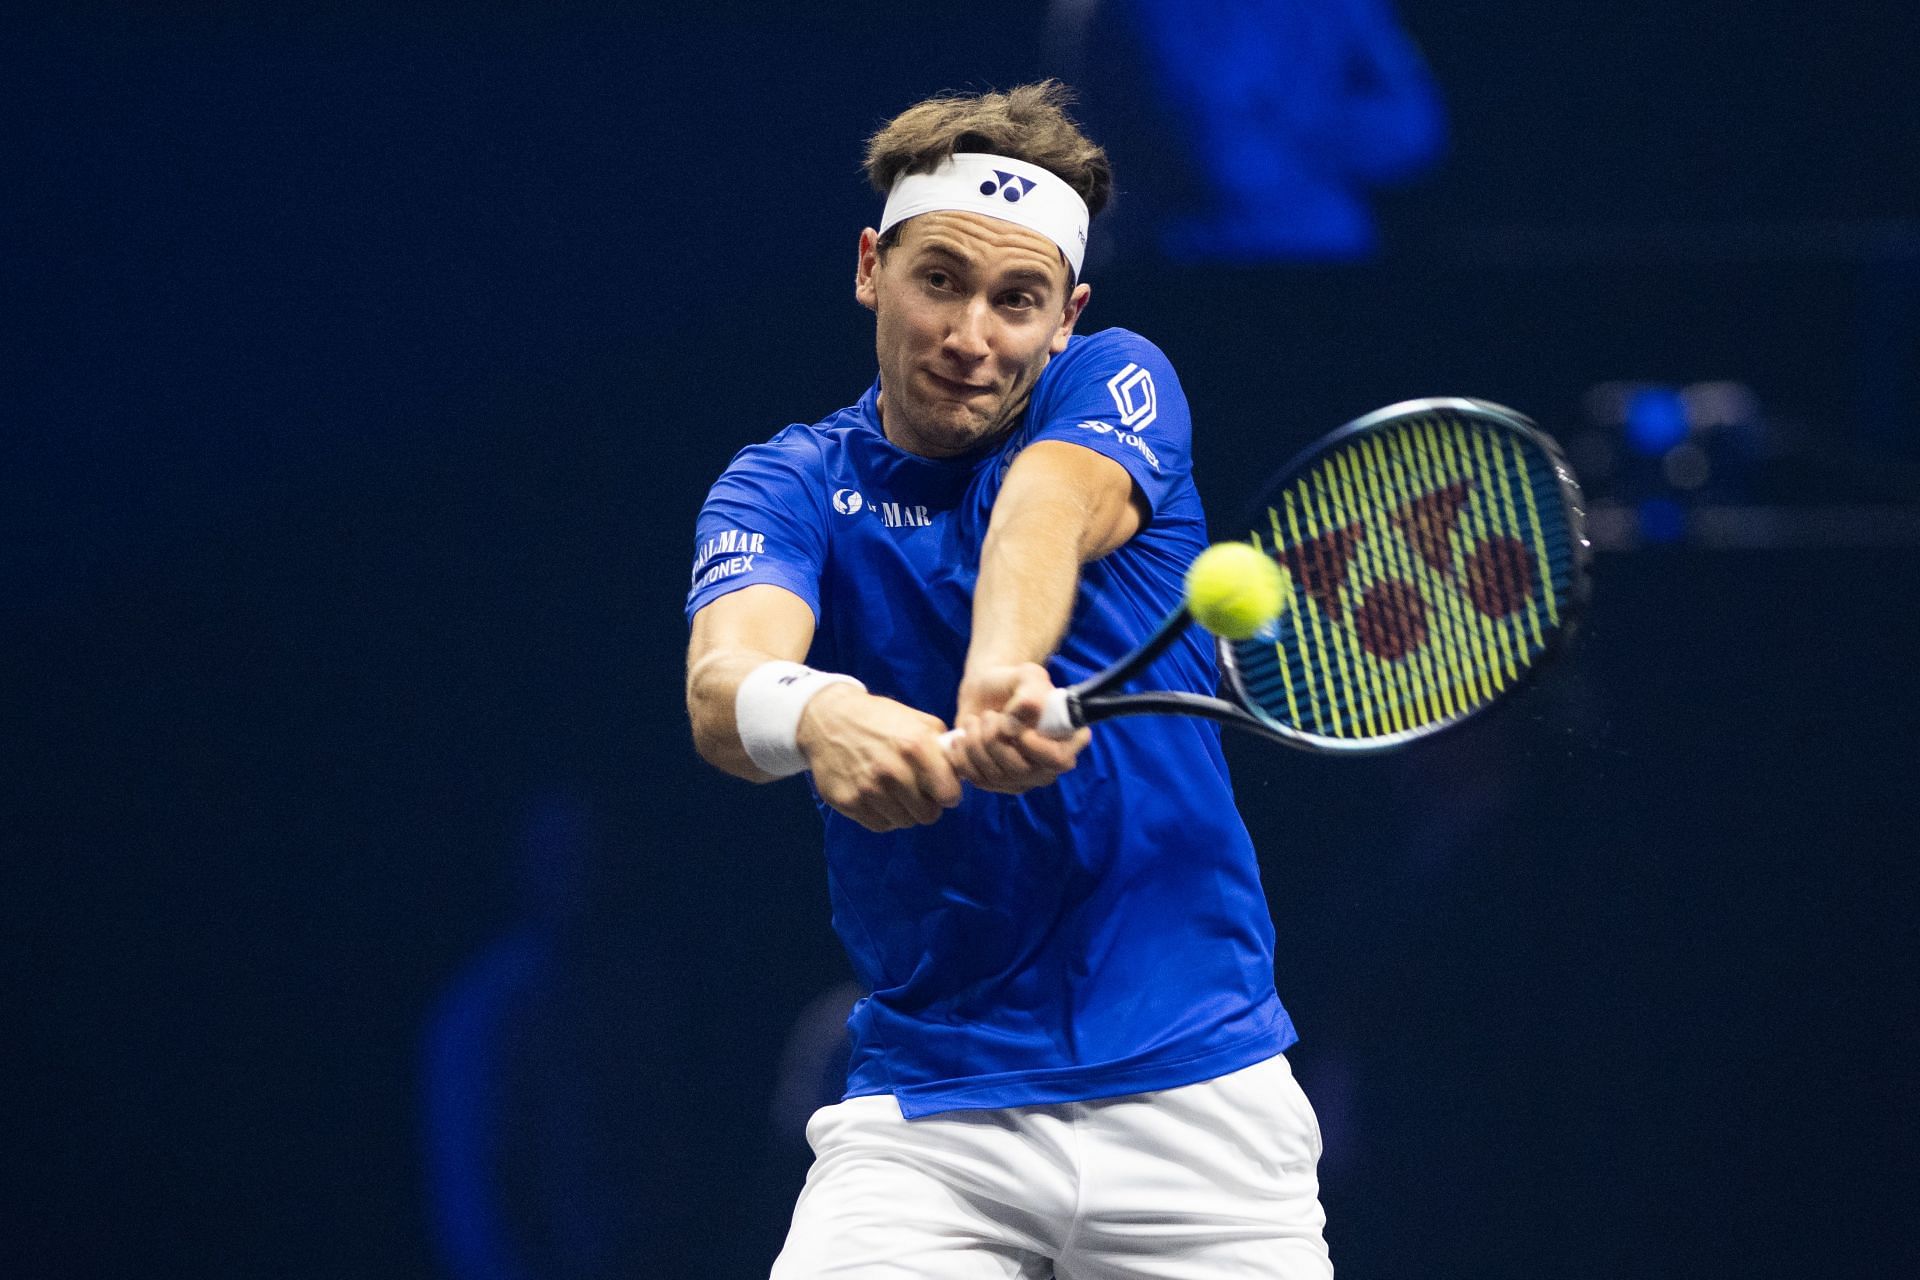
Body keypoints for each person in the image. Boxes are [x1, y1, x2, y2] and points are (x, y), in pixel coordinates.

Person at [684, 81, 1330, 1278]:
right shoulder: (783, 482)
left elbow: (1044, 509)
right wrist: (817, 707)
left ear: (1067, 315)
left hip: (1205, 1105)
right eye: (940, 281)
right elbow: (724, 682)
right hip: (930, 1117)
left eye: (1016, 300)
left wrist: (997, 676)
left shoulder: (1120, 382)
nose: (973, 334)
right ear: (873, 266)